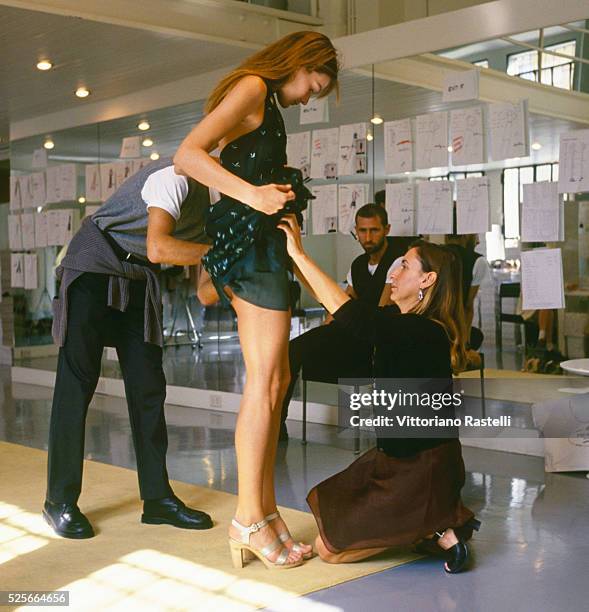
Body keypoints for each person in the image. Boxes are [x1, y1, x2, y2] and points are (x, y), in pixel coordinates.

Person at [173, 30, 339, 569]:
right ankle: (247, 517)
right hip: (247, 248)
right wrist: (254, 195)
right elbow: (186, 156)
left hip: (262, 245)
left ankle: (264, 512)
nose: (314, 95)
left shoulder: (268, 103)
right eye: (318, 83)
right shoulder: (250, 87)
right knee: (265, 382)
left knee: (277, 381)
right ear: (304, 62)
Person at [278, 214, 480, 573]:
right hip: (394, 459)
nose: (393, 273)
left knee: (329, 551)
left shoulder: (423, 332)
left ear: (427, 280)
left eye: (404, 266)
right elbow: (342, 312)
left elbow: (349, 312)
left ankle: (431, 529)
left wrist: (300, 253)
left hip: (422, 470)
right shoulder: (399, 324)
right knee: (331, 513)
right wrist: (295, 259)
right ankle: (432, 528)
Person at [45, 157, 215, 539]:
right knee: (77, 384)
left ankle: (157, 499)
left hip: (139, 276)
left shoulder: (220, 212)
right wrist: (216, 252)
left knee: (148, 389)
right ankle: (59, 500)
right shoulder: (176, 177)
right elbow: (159, 247)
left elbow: (205, 293)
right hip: (94, 264)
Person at [279, 203, 417, 439]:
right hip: (351, 327)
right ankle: (278, 422)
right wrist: (324, 329)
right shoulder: (357, 265)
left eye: (374, 230)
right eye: (362, 231)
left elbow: (381, 310)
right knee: (294, 348)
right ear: (356, 230)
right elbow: (344, 301)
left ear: (386, 229)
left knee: (306, 346)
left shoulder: (396, 264)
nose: (368, 237)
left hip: (373, 333)